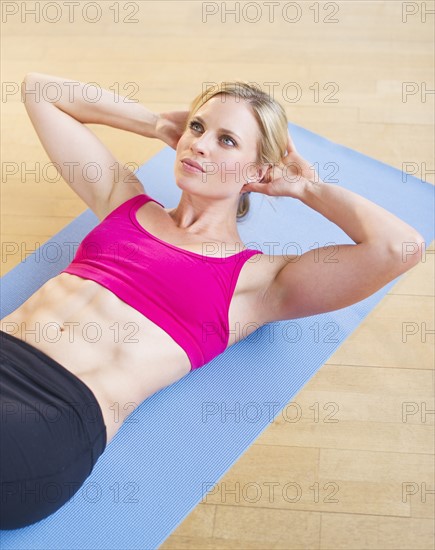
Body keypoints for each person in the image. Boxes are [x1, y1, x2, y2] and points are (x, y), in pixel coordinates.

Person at [0, 75, 423, 530]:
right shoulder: (123, 202)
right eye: (198, 128)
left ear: (259, 172)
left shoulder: (257, 281)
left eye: (227, 140)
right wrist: (159, 123)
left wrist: (306, 188)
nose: (201, 145)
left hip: (52, 416)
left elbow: (399, 247)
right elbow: (41, 91)